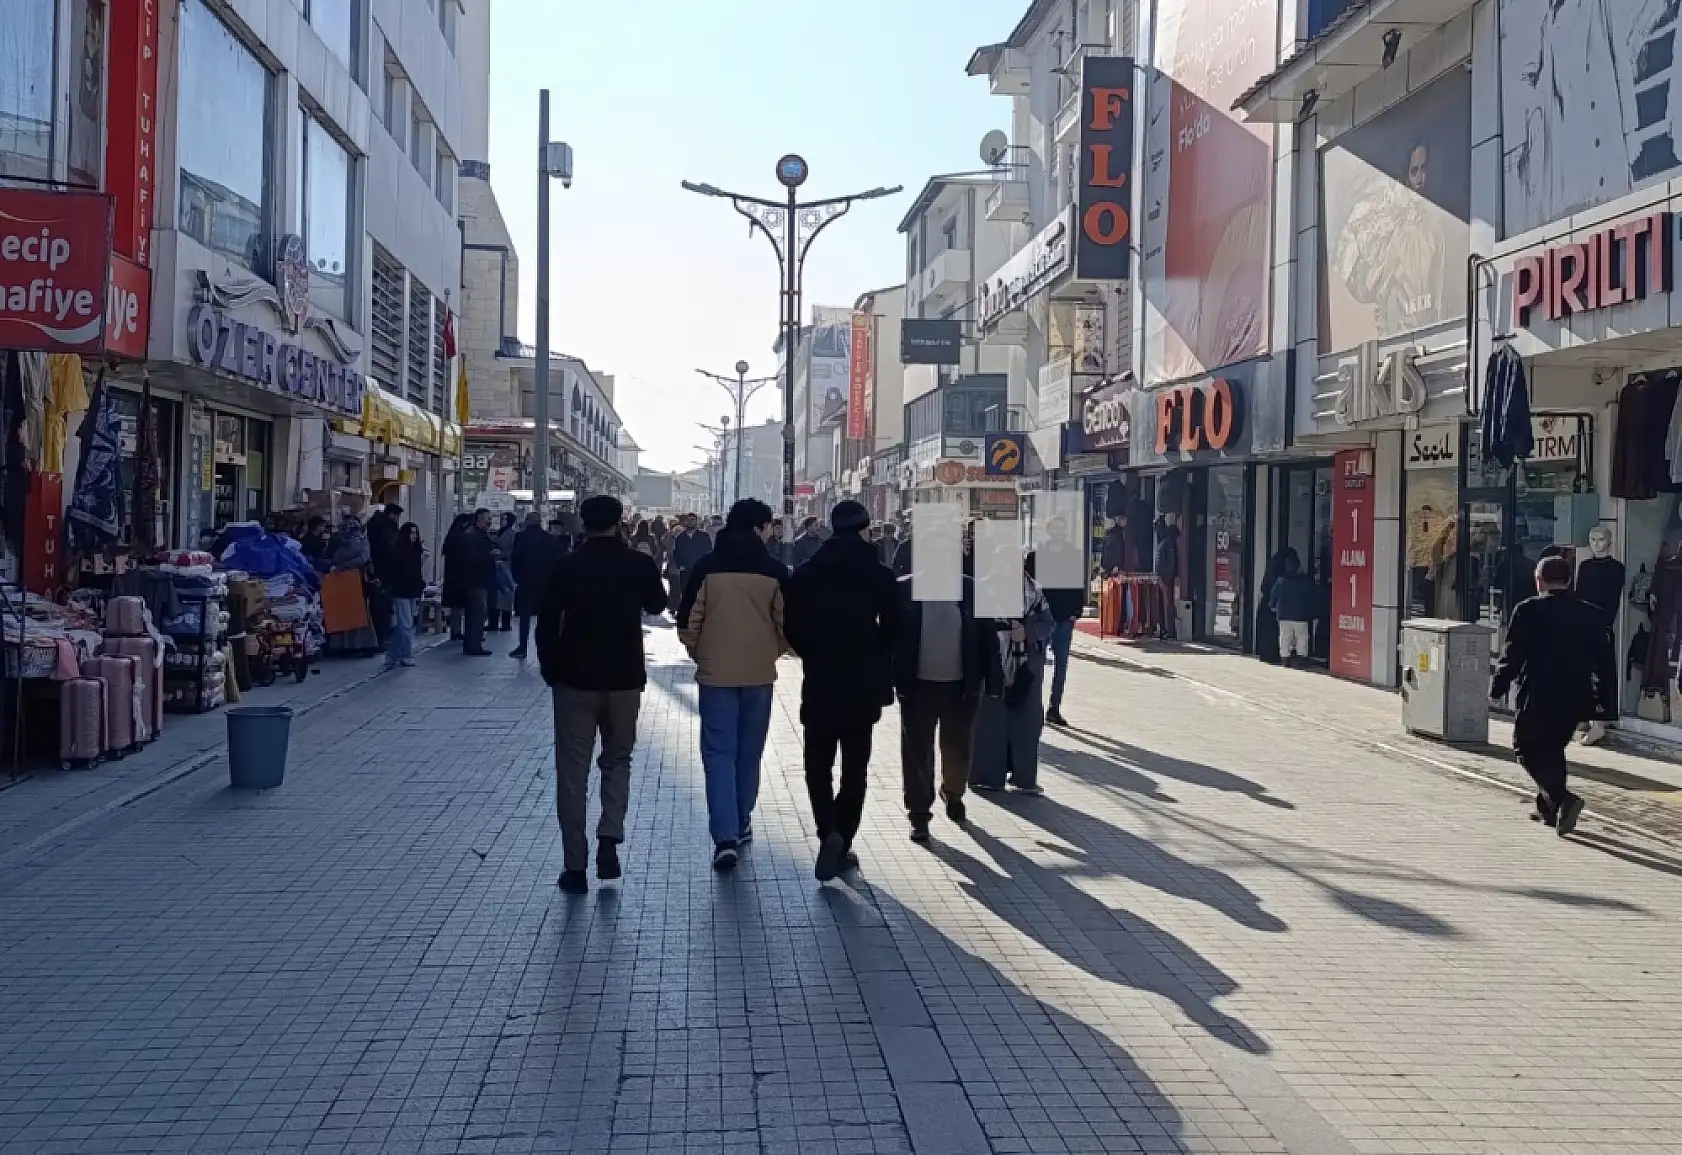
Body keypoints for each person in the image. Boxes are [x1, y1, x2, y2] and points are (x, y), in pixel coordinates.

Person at [536, 495, 670, 894]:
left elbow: (546, 625)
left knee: (572, 773)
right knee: (617, 760)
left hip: (574, 680)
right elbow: (657, 603)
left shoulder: (566, 566)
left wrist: (550, 670)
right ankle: (609, 836)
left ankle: (574, 866)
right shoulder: (637, 564)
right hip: (624, 678)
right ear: (620, 522)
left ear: (582, 523)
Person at [784, 501, 900, 882]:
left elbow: (792, 625)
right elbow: (895, 626)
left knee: (817, 765)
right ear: (866, 530)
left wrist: (813, 653)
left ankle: (827, 832)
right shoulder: (878, 574)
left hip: (820, 680)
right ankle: (844, 837)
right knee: (855, 768)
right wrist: (874, 650)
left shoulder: (806, 573)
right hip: (862, 684)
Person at [677, 498, 789, 872]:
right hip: (759, 674)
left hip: (716, 676)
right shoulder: (773, 570)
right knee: (749, 751)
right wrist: (772, 651)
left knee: (717, 753)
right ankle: (741, 822)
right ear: (759, 528)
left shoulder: (706, 567)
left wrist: (702, 653)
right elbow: (788, 624)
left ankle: (724, 836)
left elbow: (686, 618)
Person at [1491, 555, 1618, 837]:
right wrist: (1605, 706)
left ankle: (1563, 800)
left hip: (1537, 695)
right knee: (1552, 749)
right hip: (1575, 698)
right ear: (1569, 581)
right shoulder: (1592, 614)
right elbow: (1605, 664)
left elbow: (1513, 654)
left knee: (1525, 749)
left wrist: (1497, 688)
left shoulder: (1528, 610)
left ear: (1539, 581)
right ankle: (1549, 810)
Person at [894, 560, 982, 844]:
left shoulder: (970, 589)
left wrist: (992, 679)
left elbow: (986, 636)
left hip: (960, 687)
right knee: (917, 753)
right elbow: (890, 637)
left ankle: (953, 791)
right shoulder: (906, 588)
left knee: (958, 749)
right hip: (917, 687)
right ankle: (919, 815)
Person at [971, 556, 1056, 794]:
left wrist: (1027, 632)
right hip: (992, 662)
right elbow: (973, 625)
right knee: (990, 721)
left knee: (1027, 720)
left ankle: (1024, 777)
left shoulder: (1034, 591)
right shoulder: (983, 589)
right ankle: (988, 776)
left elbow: (1048, 623)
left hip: (1027, 665)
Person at [1033, 528, 1086, 728]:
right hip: (1043, 618)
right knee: (1037, 664)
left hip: (1064, 618)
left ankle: (1054, 708)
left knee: (1061, 665)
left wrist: (1076, 612)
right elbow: (1032, 585)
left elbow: (1077, 585)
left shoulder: (1072, 557)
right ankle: (1035, 706)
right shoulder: (1039, 556)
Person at [509, 511, 562, 660]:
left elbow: (516, 559)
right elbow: (558, 560)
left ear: (528, 521)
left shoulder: (521, 537)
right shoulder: (550, 539)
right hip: (546, 583)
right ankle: (546, 648)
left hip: (526, 582)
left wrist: (517, 577)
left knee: (525, 617)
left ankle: (522, 647)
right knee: (545, 617)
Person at [455, 510, 498, 656]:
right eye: (488, 518)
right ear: (479, 519)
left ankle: (472, 643)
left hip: (480, 579)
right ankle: (474, 644)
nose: (490, 521)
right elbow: (470, 557)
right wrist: (489, 556)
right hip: (475, 580)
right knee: (478, 612)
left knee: (475, 612)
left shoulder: (478, 534)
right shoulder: (471, 535)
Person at [383, 523, 426, 670]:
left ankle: (393, 655)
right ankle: (407, 655)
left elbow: (416, 572)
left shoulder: (415, 551)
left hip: (412, 591)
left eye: (416, 533)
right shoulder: (397, 551)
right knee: (406, 624)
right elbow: (395, 573)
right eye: (411, 533)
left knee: (404, 625)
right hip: (401, 592)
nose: (414, 536)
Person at [1269, 553, 1317, 667]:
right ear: (1298, 566)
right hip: (1301, 615)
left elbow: (1273, 595)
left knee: (1285, 638)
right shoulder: (1305, 580)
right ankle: (1301, 660)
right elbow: (1312, 596)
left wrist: (1272, 605)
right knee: (1302, 638)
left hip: (1284, 614)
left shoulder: (1281, 580)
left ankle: (1285, 660)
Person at [1257, 546, 1298, 665]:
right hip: (1276, 605)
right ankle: (1276, 655)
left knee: (1267, 631)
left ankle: (1267, 654)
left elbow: (1264, 587)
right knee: (1277, 631)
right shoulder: (1282, 577)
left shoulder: (1271, 568)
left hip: (1266, 604)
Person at [669, 512, 713, 612]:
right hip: (685, 569)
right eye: (689, 520)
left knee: (700, 591)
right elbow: (676, 552)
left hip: (700, 569)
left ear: (696, 521)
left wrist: (707, 565)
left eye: (693, 520)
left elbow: (708, 550)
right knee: (685, 591)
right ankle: (687, 611)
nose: (690, 522)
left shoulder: (704, 536)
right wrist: (680, 565)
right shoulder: (681, 537)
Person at [440, 513, 473, 640]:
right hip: (460, 576)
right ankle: (457, 631)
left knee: (456, 606)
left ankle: (456, 630)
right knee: (460, 605)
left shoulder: (452, 536)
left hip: (452, 577)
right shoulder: (462, 537)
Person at [491, 512, 518, 632]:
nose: (502, 520)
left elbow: (514, 552)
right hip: (496, 567)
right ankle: (493, 622)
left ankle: (506, 623)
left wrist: (502, 554)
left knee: (506, 596)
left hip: (506, 568)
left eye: (505, 519)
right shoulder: (499, 531)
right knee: (495, 597)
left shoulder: (513, 534)